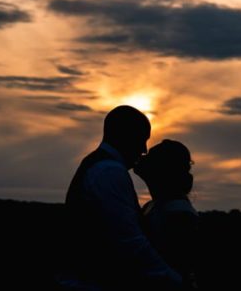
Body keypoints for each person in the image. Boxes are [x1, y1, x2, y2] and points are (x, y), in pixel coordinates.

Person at [58, 106, 184, 291]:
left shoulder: (98, 165)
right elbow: (129, 239)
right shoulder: (110, 171)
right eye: (141, 140)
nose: (143, 149)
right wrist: (173, 280)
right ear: (125, 136)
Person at [133, 140, 199, 289]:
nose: (143, 156)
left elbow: (178, 269)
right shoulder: (155, 206)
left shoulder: (179, 214)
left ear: (162, 170)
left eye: (150, 156)